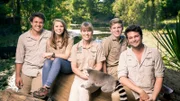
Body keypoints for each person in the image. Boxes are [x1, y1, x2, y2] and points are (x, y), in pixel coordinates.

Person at [112, 24, 165, 101]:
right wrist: (140, 91)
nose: (134, 39)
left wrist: (153, 97)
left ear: (141, 36)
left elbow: (159, 77)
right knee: (116, 96)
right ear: (128, 40)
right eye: (130, 38)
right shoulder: (124, 55)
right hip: (132, 91)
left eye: (136, 36)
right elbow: (122, 78)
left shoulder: (154, 53)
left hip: (150, 92)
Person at [32, 19, 74, 99]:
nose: (59, 28)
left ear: (64, 28)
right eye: (57, 26)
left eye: (61, 26)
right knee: (47, 62)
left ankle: (46, 87)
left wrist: (52, 54)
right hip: (55, 64)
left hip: (67, 65)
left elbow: (66, 56)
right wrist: (50, 56)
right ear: (53, 28)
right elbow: (48, 57)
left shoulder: (69, 39)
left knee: (57, 60)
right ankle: (45, 92)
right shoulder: (49, 40)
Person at [15, 12, 51, 94]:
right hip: (26, 70)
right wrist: (18, 76)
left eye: (41, 22)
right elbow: (19, 59)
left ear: (43, 23)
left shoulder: (49, 35)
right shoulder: (23, 37)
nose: (38, 24)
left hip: (41, 71)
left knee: (36, 97)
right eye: (36, 22)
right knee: (21, 96)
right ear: (31, 23)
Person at [68, 22, 105, 101]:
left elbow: (99, 65)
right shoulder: (75, 47)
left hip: (94, 77)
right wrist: (83, 76)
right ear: (81, 32)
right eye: (84, 31)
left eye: (89, 31)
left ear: (92, 32)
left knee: (83, 89)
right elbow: (74, 67)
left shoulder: (98, 46)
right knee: (72, 99)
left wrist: (90, 75)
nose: (86, 33)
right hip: (79, 76)